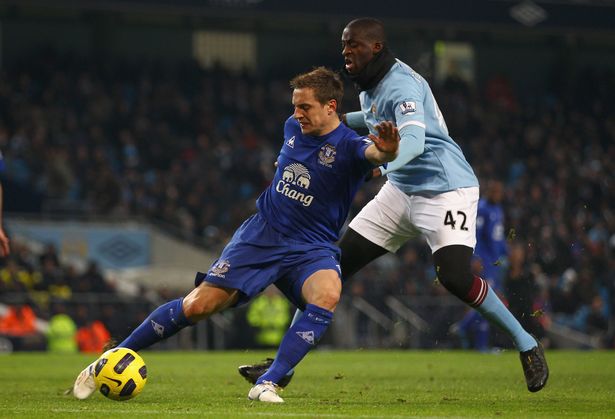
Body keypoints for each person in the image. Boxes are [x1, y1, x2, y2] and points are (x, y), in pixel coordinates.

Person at [239, 17, 548, 393]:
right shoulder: (372, 84)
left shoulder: (400, 85)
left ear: (376, 48)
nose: (346, 51)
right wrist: (320, 121)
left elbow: (414, 144)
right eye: (344, 44)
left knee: (454, 277)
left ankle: (526, 343)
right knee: (328, 268)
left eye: (354, 45)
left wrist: (379, 165)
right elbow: (363, 119)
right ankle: (283, 366)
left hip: (445, 189)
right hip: (402, 190)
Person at [72, 66, 399, 403]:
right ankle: (105, 362)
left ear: (330, 106)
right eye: (295, 106)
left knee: (328, 293)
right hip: (263, 236)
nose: (296, 114)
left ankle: (268, 383)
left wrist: (387, 150)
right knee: (198, 306)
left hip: (311, 247)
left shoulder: (349, 147)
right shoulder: (292, 128)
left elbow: (373, 154)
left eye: (305, 107)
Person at [454, 179, 508, 350]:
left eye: (499, 192)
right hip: (484, 262)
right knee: (487, 302)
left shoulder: (498, 210)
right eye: (494, 191)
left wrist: (506, 252)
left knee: (488, 303)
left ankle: (480, 345)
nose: (497, 195)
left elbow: (497, 238)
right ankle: (463, 328)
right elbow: (474, 234)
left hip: (495, 262)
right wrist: (475, 258)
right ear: (489, 191)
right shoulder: (482, 208)